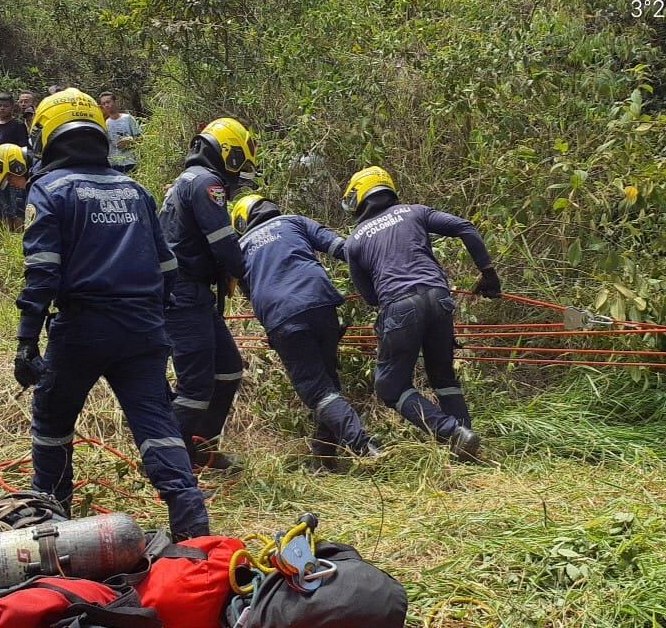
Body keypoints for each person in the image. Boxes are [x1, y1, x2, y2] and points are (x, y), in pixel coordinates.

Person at [13, 88, 208, 538]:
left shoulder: (50, 189)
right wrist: (156, 322)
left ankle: (51, 521)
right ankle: (193, 522)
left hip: (82, 327)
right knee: (156, 423)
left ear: (47, 136)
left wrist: (26, 340)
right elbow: (168, 267)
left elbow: (42, 272)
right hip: (143, 328)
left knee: (53, 418)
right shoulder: (134, 190)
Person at [341, 166, 499, 458]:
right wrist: (488, 274)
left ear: (359, 197)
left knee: (389, 386)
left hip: (399, 306)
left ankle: (451, 432)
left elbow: (371, 298)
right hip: (440, 298)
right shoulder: (415, 212)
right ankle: (464, 445)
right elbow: (464, 227)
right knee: (443, 376)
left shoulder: (354, 241)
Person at [229, 193, 381, 467]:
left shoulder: (239, 247)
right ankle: (323, 459)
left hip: (282, 317)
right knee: (328, 383)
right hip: (321, 304)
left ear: (241, 220)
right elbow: (342, 248)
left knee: (317, 390)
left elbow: (247, 291)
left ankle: (363, 445)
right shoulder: (294, 222)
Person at [159, 118, 257, 469]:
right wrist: (250, 281)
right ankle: (168, 462)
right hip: (183, 294)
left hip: (192, 292)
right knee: (196, 386)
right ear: (228, 154)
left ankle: (200, 448)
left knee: (228, 369)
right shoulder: (206, 182)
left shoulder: (186, 181)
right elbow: (225, 243)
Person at [0, 94, 30, 230]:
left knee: (17, 209)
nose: (2, 108)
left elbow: (24, 150)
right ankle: (6, 237)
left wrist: (18, 172)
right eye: (0, 106)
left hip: (16, 174)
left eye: (6, 106)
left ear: (12, 107)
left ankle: (18, 237)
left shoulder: (18, 125)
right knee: (2, 208)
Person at [98, 91, 142, 173]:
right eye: (103, 104)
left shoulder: (128, 119)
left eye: (108, 102)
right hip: (114, 164)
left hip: (131, 162)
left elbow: (141, 138)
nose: (106, 105)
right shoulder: (105, 123)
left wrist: (131, 140)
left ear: (115, 102)